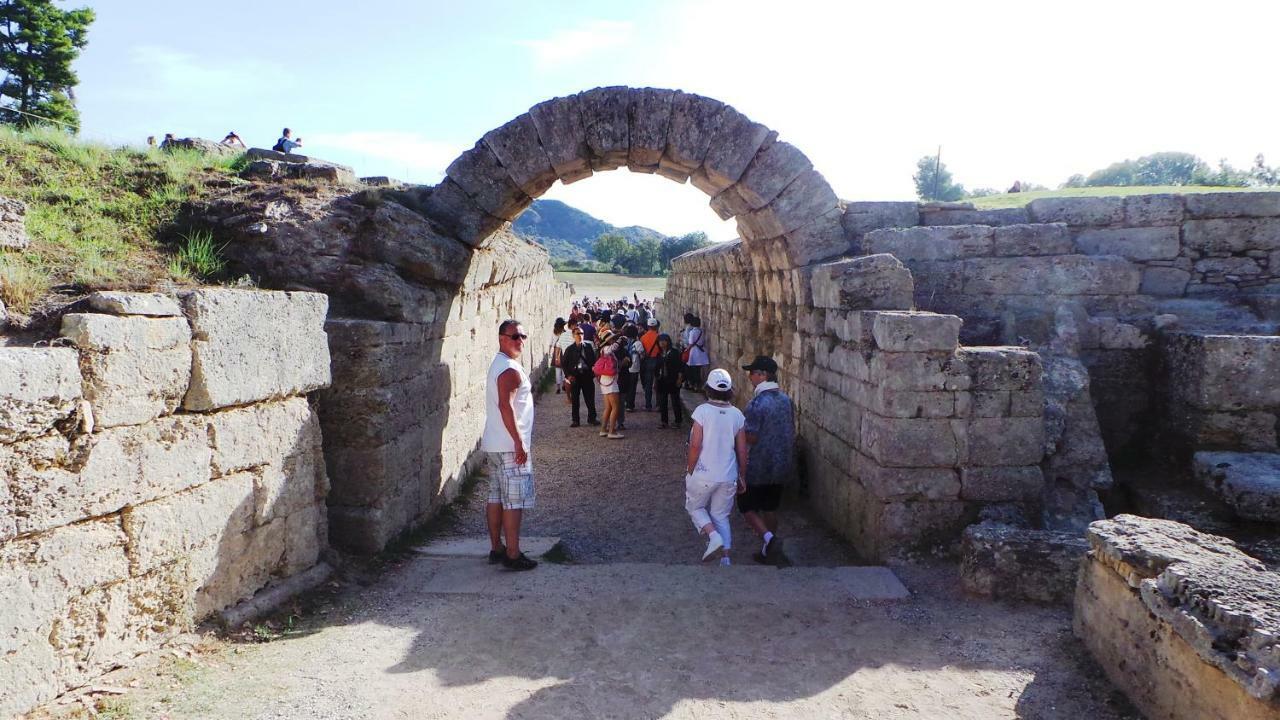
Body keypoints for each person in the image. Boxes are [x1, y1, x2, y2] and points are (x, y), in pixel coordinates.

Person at [480, 319, 538, 571]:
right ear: (502, 338)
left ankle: (497, 547)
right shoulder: (510, 371)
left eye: (523, 336)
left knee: (496, 496)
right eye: (515, 336)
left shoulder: (500, 363)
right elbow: (507, 407)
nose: (520, 341)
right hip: (508, 445)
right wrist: (519, 442)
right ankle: (512, 554)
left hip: (494, 443)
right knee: (514, 501)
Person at [685, 369, 747, 566]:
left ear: (708, 389)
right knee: (721, 515)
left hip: (704, 472)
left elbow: (695, 445)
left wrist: (690, 468)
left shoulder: (702, 412)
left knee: (694, 507)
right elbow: (742, 450)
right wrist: (742, 476)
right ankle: (726, 559)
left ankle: (713, 537)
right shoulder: (737, 415)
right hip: (728, 474)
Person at [740, 355, 796, 566]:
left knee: (746, 506)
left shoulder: (756, 404)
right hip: (781, 463)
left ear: (763, 375)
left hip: (759, 464)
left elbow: (752, 436)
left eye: (752, 373)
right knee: (771, 507)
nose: (749, 377)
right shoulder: (786, 400)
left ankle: (770, 542)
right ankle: (768, 550)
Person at [561, 328, 598, 427]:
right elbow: (564, 364)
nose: (580, 335)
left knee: (590, 398)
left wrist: (593, 373)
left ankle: (592, 418)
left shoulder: (588, 347)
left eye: (582, 333)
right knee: (575, 399)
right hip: (575, 376)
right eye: (578, 333)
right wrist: (568, 375)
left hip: (586, 375)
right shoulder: (570, 349)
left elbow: (594, 360)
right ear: (573, 336)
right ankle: (575, 420)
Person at [595, 333, 624, 439]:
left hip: (606, 379)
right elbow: (612, 348)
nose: (613, 340)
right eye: (612, 339)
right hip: (610, 381)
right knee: (616, 407)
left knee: (608, 407)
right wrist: (619, 341)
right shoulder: (607, 349)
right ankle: (612, 431)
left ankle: (603, 429)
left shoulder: (604, 350)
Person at [654, 333, 685, 429]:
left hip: (673, 380)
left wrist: (680, 379)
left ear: (668, 342)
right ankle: (664, 421)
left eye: (664, 341)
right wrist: (656, 380)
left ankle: (678, 421)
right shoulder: (659, 354)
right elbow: (657, 368)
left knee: (675, 401)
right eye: (660, 341)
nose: (662, 343)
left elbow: (680, 367)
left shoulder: (675, 353)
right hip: (662, 380)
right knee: (663, 401)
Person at [639, 318, 661, 410]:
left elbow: (642, 352)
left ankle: (648, 405)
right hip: (658, 360)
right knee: (659, 383)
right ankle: (659, 404)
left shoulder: (643, 337)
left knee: (648, 384)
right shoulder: (660, 336)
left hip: (648, 361)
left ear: (648, 326)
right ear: (656, 326)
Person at [685, 316, 709, 390]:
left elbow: (690, 342)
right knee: (698, 370)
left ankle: (693, 385)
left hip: (694, 352)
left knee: (693, 370)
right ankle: (698, 386)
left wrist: (687, 349)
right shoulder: (701, 331)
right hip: (700, 352)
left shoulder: (692, 332)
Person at [622, 325, 641, 412]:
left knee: (626, 385)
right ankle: (630, 405)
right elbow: (643, 355)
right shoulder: (638, 343)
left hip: (625, 367)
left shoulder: (624, 342)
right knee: (632, 387)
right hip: (634, 367)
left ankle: (625, 402)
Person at [551, 317, 571, 394]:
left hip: (556, 351)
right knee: (564, 370)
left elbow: (552, 343)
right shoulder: (564, 332)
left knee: (557, 370)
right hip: (563, 351)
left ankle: (558, 387)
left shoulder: (554, 332)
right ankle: (563, 385)